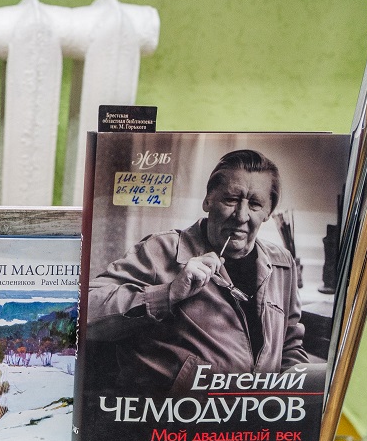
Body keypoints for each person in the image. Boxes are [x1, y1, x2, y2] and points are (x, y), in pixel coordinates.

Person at [86, 149, 308, 395]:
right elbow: (83, 312)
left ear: (268, 212)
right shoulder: (161, 250)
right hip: (176, 414)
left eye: (255, 204)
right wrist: (167, 294)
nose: (241, 216)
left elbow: (290, 346)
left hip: (257, 413)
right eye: (231, 199)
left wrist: (291, 399)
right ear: (208, 201)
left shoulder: (282, 264)